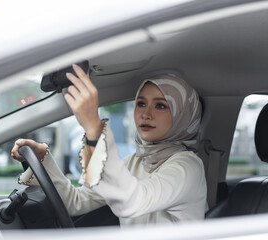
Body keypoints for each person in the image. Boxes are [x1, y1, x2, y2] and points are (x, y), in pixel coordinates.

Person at [11, 64, 207, 226]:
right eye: (141, 103)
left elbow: (133, 202)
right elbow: (75, 202)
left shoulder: (188, 167)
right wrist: (43, 159)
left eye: (161, 105)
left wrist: (95, 128)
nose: (146, 114)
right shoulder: (134, 162)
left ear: (182, 116)